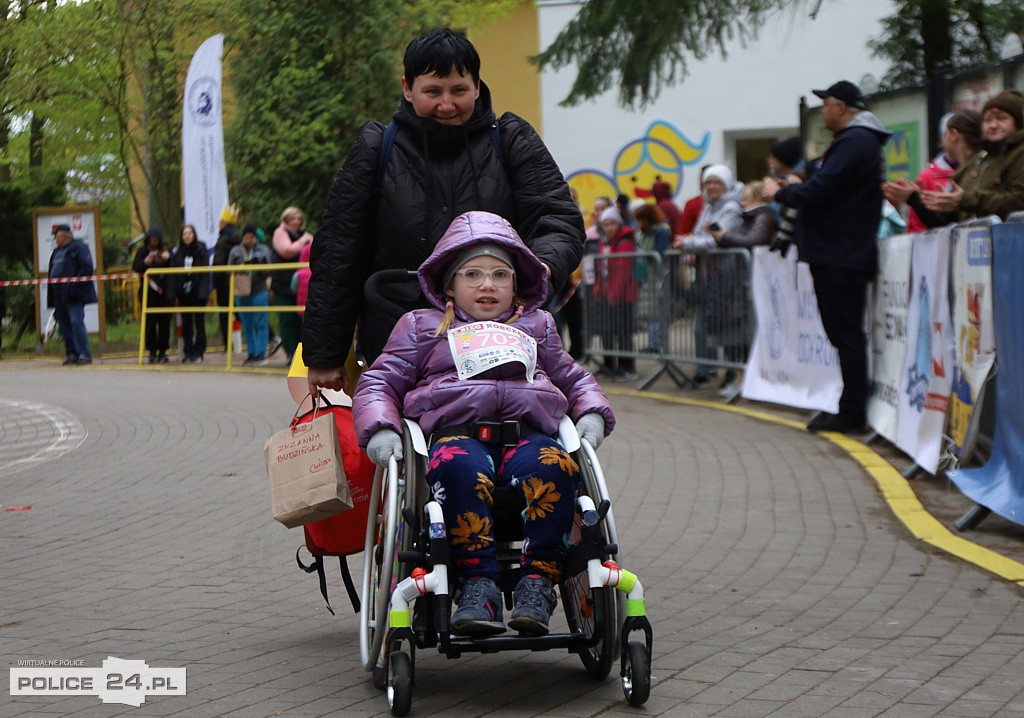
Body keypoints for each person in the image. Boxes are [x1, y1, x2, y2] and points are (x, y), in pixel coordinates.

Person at [352, 210, 614, 637]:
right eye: (471, 274)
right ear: (449, 285)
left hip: (529, 435)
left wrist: (590, 413)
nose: (487, 285)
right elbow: (379, 381)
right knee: (457, 468)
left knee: (555, 466)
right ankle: (478, 586)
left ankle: (537, 584)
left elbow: (575, 378)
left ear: (518, 283)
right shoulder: (421, 327)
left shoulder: (538, 326)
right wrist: (381, 427)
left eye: (499, 275)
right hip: (458, 437)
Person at [302, 28, 585, 398]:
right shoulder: (376, 148)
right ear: (408, 88)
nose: (447, 104)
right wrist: (325, 353)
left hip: (502, 338)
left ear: (477, 86)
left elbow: (559, 221)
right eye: (433, 91)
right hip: (400, 347)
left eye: (459, 90)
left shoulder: (513, 140)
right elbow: (339, 251)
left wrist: (539, 268)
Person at [763, 80, 891, 434]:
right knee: (842, 335)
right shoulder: (852, 143)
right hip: (838, 250)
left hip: (841, 252)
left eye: (826, 106)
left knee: (846, 335)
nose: (822, 113)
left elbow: (820, 190)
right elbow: (823, 180)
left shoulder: (856, 141)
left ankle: (851, 413)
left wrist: (783, 191)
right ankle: (848, 408)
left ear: (842, 106)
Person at [675, 164, 744, 386]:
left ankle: (733, 373)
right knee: (704, 325)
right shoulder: (707, 207)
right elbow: (699, 235)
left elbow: (717, 240)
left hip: (727, 275)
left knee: (728, 325)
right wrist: (694, 242)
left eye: (717, 182)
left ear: (727, 184)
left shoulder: (732, 207)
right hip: (708, 275)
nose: (712, 186)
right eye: (708, 182)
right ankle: (705, 371)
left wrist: (688, 243)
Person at [708, 179, 779, 392]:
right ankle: (740, 378)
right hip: (737, 282)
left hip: (747, 282)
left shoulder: (762, 217)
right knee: (734, 333)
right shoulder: (749, 218)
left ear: (757, 198)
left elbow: (754, 240)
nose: (741, 201)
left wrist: (725, 237)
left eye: (746, 197)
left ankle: (746, 380)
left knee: (743, 334)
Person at [918, 92, 1024, 222]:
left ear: (1017, 123)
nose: (993, 125)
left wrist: (966, 200)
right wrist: (945, 203)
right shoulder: (981, 159)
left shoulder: (1019, 153)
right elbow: (951, 216)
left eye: (1001, 118)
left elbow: (1020, 200)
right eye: (988, 119)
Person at [883, 109, 981, 229]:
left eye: (946, 134)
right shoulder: (968, 170)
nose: (944, 140)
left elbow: (941, 222)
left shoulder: (977, 170)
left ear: (954, 135)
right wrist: (914, 197)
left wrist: (913, 198)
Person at [594, 206, 638, 381]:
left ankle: (627, 366)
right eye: (605, 224)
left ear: (619, 224)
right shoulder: (604, 243)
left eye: (612, 223)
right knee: (607, 330)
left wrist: (614, 293)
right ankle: (609, 364)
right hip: (607, 295)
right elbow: (600, 269)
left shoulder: (624, 242)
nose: (609, 227)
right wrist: (599, 289)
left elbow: (623, 271)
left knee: (623, 332)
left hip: (623, 296)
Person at [47, 224, 98, 365]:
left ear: (64, 235)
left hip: (74, 295)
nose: (55, 239)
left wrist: (73, 287)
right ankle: (72, 354)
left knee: (76, 323)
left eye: (56, 235)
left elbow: (86, 268)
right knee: (64, 326)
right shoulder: (57, 252)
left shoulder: (79, 248)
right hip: (59, 295)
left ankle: (84, 353)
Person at [270, 207, 313, 362]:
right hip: (284, 284)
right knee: (288, 319)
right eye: (293, 218)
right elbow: (286, 250)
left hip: (304, 284)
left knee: (305, 319)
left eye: (298, 218)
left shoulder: (305, 235)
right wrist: (303, 241)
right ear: (286, 219)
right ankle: (290, 352)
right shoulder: (280, 233)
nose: (296, 221)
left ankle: (305, 353)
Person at [228, 223, 272, 365]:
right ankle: (251, 353)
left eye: (252, 237)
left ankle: (261, 353)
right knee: (247, 324)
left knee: (261, 322)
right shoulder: (236, 251)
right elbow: (229, 270)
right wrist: (240, 267)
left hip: (259, 289)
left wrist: (260, 266)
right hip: (241, 291)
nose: (249, 239)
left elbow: (271, 270)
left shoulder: (263, 249)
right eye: (246, 237)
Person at [632, 202, 671, 352]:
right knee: (649, 311)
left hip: (657, 276)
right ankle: (652, 342)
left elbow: (660, 253)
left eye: (643, 220)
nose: (640, 223)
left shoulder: (660, 232)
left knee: (656, 311)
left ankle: (657, 343)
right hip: (645, 275)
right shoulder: (642, 232)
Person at [132, 226, 174, 364]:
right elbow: (136, 267)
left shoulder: (167, 250)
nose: (154, 241)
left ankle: (163, 352)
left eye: (156, 239)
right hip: (148, 293)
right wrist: (145, 262)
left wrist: (169, 258)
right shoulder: (142, 251)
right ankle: (151, 352)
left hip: (165, 293)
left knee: (164, 324)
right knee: (150, 324)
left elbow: (176, 266)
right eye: (151, 239)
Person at [172, 223, 211, 363]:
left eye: (190, 233)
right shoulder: (178, 253)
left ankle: (199, 351)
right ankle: (188, 351)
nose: (187, 236)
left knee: (199, 322)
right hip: (184, 293)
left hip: (198, 292)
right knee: (186, 323)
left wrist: (203, 292)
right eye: (185, 234)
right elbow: (174, 273)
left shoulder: (201, 250)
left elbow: (205, 273)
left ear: (194, 235)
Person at [211, 203, 241, 350]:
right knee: (243, 311)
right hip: (240, 282)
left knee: (225, 315)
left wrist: (214, 282)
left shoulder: (222, 240)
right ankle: (271, 337)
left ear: (224, 223)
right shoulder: (240, 239)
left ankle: (227, 346)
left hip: (224, 284)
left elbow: (218, 264)